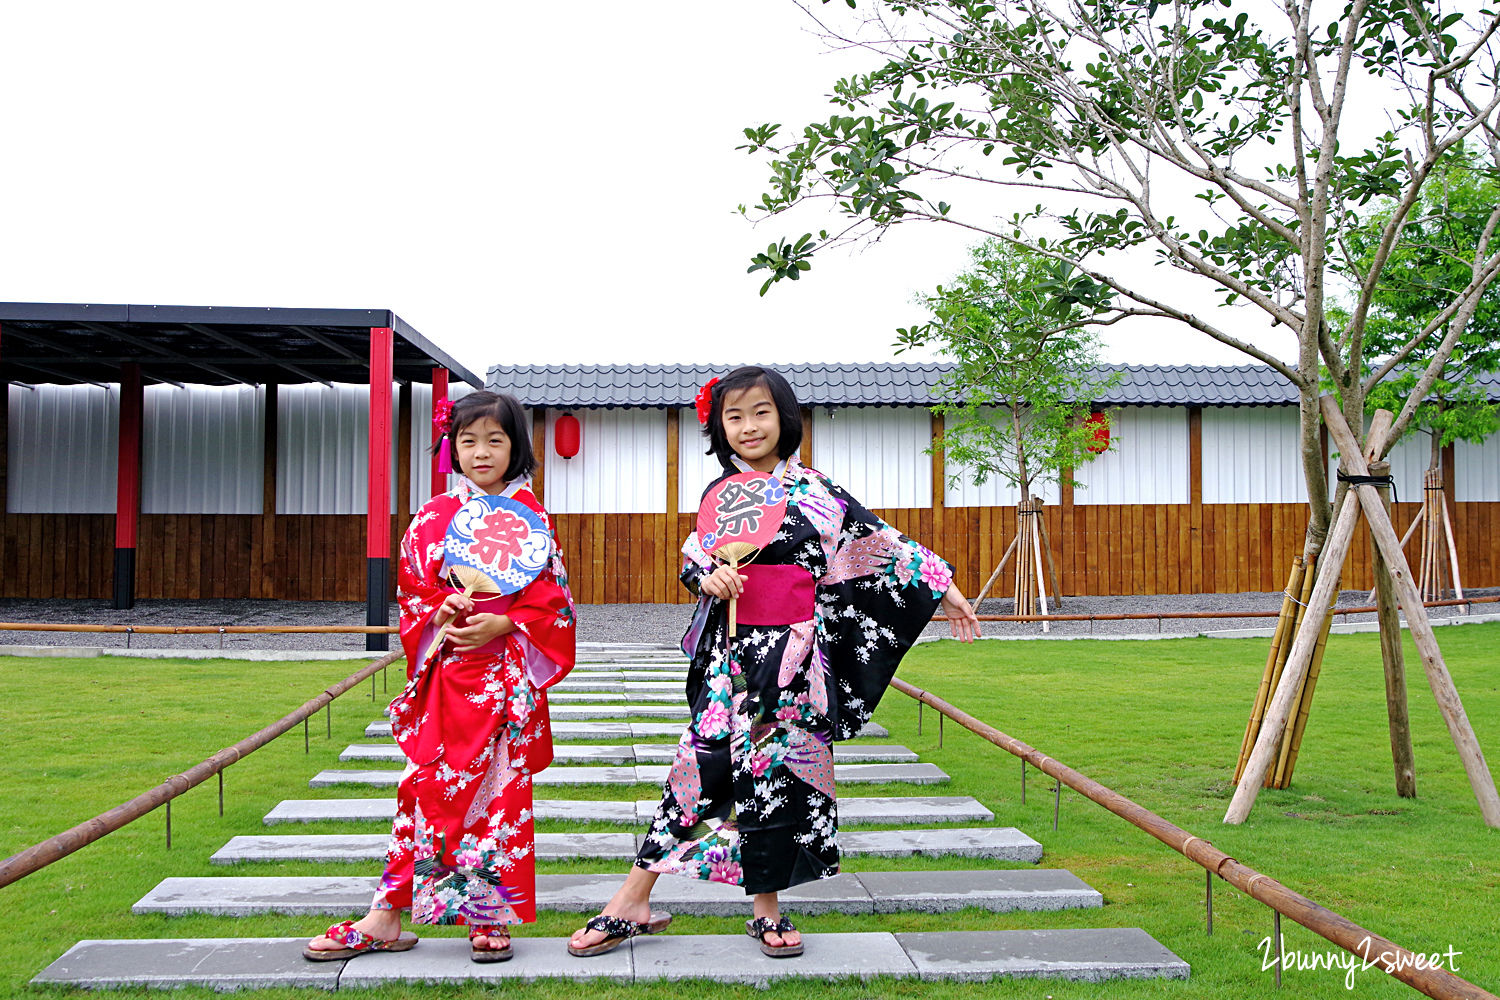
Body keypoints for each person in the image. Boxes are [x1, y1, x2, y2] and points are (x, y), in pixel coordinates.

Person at [568, 366, 979, 960]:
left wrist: (942, 586)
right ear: (718, 426)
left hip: (795, 654)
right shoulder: (721, 493)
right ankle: (632, 897)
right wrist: (707, 576)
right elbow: (694, 555)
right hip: (730, 657)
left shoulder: (817, 490)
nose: (748, 426)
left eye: (760, 412)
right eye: (733, 416)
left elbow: (880, 544)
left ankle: (766, 908)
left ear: (785, 417)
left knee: (778, 777)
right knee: (700, 769)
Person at [305, 390, 575, 964]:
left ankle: (488, 913)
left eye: (495, 440)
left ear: (516, 447)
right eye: (468, 440)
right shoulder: (432, 516)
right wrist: (440, 612)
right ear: (452, 446)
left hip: (505, 681)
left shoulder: (531, 517)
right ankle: (386, 915)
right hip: (446, 675)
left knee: (501, 796)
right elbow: (411, 590)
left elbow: (555, 601)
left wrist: (504, 619)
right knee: (421, 793)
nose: (481, 452)